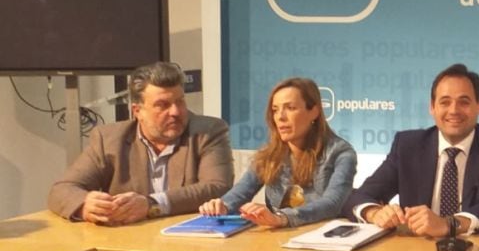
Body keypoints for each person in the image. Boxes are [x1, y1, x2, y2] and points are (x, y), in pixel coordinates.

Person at [342, 63, 479, 238]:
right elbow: (359, 197)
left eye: (464, 102)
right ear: (432, 107)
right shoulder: (408, 146)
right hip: (416, 250)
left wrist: (448, 225)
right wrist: (374, 213)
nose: (454, 110)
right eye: (445, 102)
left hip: (478, 250)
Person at [48, 61, 233, 224]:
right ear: (137, 111)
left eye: (180, 102)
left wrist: (151, 205)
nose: (176, 112)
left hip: (188, 241)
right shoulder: (109, 139)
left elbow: (217, 187)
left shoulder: (208, 132)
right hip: (127, 242)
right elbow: (62, 190)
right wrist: (86, 205)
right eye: (163, 105)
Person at [200, 77, 356, 228]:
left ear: (314, 112)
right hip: (277, 238)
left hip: (322, 237)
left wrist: (282, 218)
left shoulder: (340, 152)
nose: (280, 117)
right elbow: (241, 192)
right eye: (275, 110)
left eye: (290, 108)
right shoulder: (270, 154)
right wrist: (222, 206)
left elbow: (332, 203)